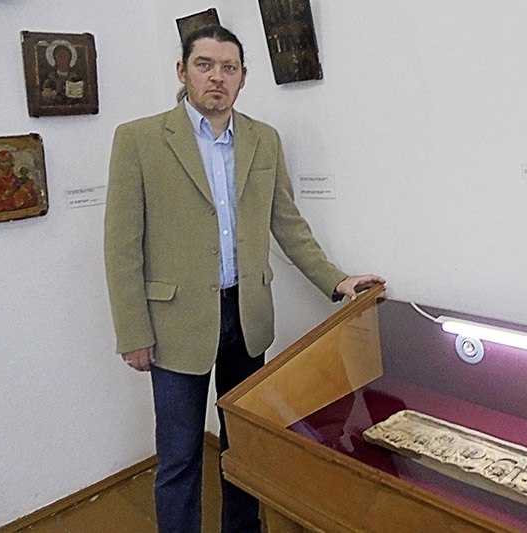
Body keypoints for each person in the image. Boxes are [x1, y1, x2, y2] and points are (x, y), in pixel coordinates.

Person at [103, 25, 384, 532]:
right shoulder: (138, 139)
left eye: (228, 68)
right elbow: (122, 246)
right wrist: (132, 332)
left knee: (246, 448)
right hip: (175, 325)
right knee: (180, 456)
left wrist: (336, 280)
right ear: (182, 71)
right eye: (205, 65)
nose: (217, 77)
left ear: (243, 78)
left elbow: (287, 223)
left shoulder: (263, 139)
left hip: (246, 317)